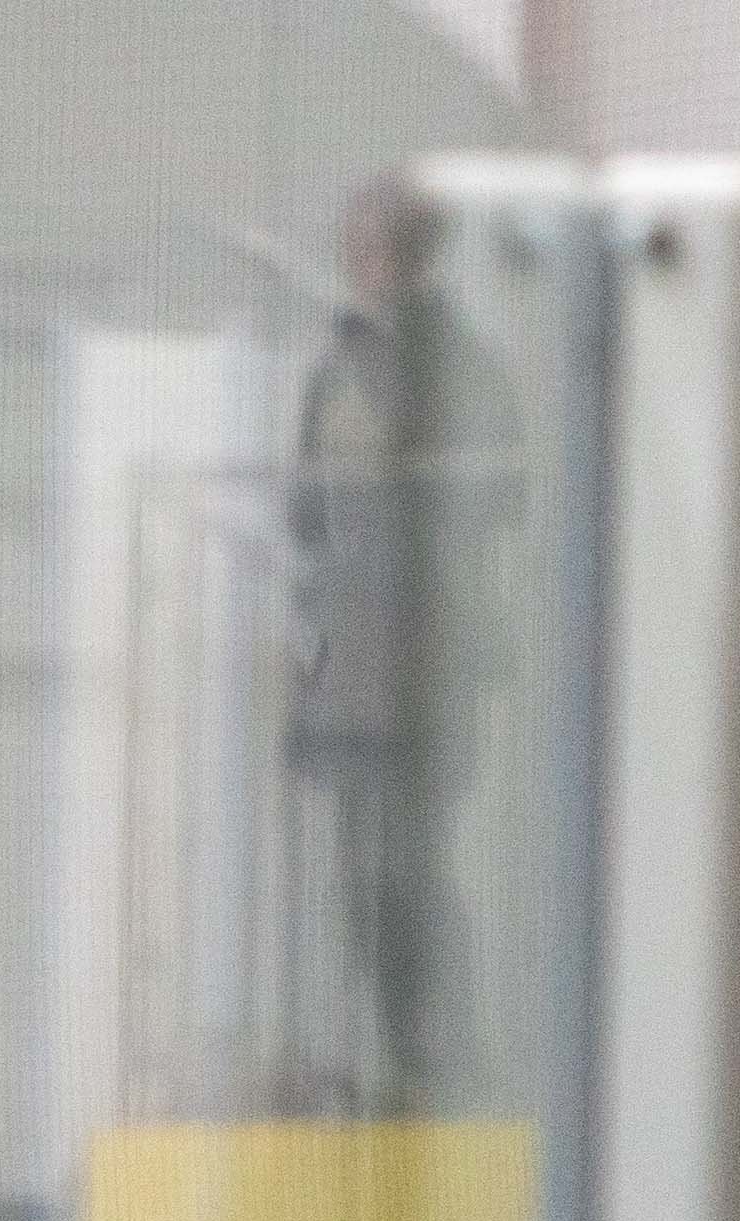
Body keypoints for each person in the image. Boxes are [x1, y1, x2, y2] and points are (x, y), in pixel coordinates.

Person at [284, 181, 522, 1109]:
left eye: (371, 241)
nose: (357, 258)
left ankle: (437, 1053)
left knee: (408, 863)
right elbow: (304, 504)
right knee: (359, 870)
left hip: (426, 661)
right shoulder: (342, 360)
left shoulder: (453, 362)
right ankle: (394, 1051)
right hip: (351, 661)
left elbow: (497, 494)